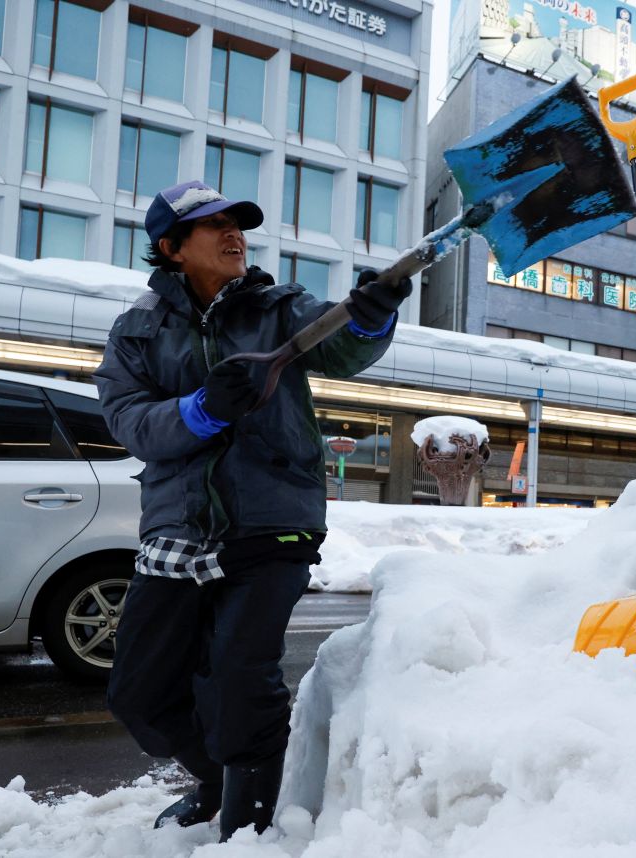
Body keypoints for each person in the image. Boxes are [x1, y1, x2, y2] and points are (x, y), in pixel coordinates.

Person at [93, 180, 411, 841]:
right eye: (214, 225)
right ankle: (217, 777)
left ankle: (252, 818)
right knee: (140, 693)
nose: (235, 232)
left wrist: (372, 314)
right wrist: (200, 410)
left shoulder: (276, 308)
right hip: (178, 529)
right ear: (172, 248)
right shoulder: (136, 333)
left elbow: (341, 343)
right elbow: (128, 420)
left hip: (273, 518)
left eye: (239, 222)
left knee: (240, 674)